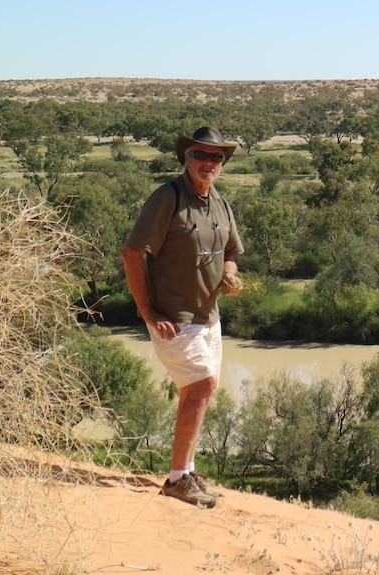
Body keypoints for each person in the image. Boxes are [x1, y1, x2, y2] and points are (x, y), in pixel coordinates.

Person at [121, 126, 243, 508]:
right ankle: (176, 479)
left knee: (200, 392)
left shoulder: (220, 204)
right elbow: (131, 253)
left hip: (209, 317)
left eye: (215, 157)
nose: (208, 162)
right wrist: (147, 311)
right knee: (202, 386)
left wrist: (230, 274)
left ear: (222, 164)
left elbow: (231, 254)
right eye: (200, 155)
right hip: (174, 317)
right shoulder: (167, 198)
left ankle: (187, 472)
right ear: (186, 157)